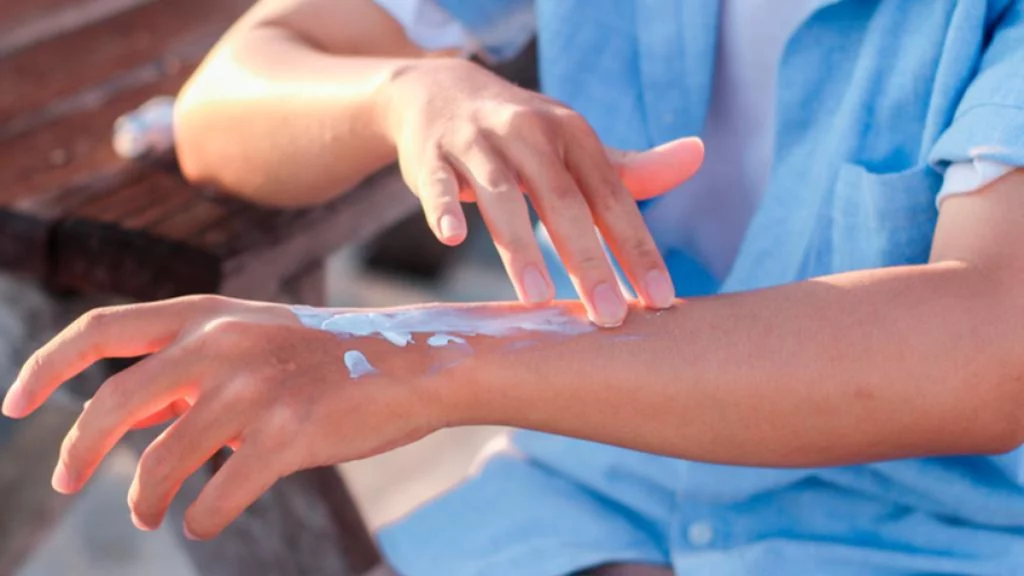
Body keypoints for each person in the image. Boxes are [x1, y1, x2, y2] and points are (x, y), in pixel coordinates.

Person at [5, 0, 1024, 574]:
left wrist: (429, 358)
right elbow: (232, 94)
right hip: (574, 504)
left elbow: (985, 343)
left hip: (935, 539)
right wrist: (407, 94)